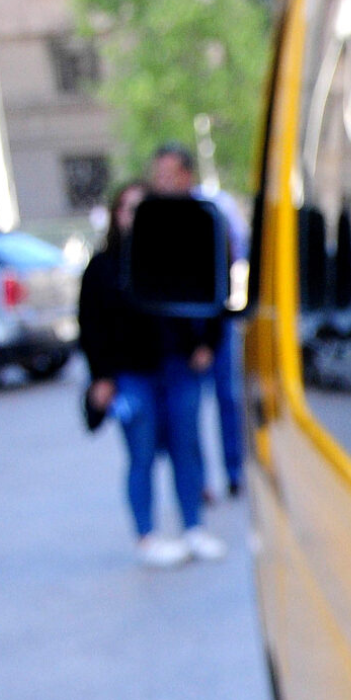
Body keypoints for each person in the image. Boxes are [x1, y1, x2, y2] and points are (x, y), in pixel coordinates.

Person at [79, 181, 227, 567]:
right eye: (128, 209)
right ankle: (147, 537)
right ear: (116, 216)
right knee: (141, 455)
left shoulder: (173, 256)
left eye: (143, 208)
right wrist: (102, 377)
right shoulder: (103, 267)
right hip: (131, 375)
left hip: (177, 368)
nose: (135, 217)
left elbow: (211, 300)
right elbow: (90, 326)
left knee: (186, 450)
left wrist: (206, 345)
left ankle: (194, 527)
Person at [147, 142, 249, 498]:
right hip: (177, 337)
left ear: (187, 176)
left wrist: (208, 341)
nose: (164, 182)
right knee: (186, 414)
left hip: (213, 329)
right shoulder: (153, 223)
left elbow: (222, 281)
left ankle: (234, 471)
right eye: (159, 175)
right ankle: (198, 481)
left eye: (170, 175)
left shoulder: (209, 217)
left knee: (227, 400)